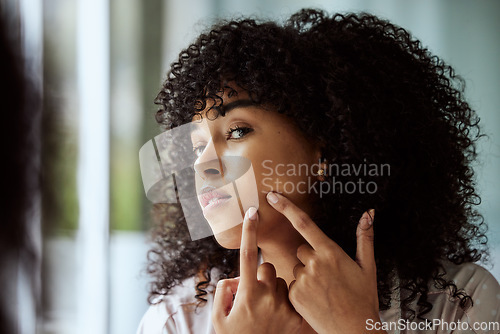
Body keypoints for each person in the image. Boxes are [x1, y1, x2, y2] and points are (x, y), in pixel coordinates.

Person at [137, 8, 500, 334]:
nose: (203, 164)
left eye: (237, 131)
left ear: (324, 148)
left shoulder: (459, 303)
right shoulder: (175, 319)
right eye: (198, 146)